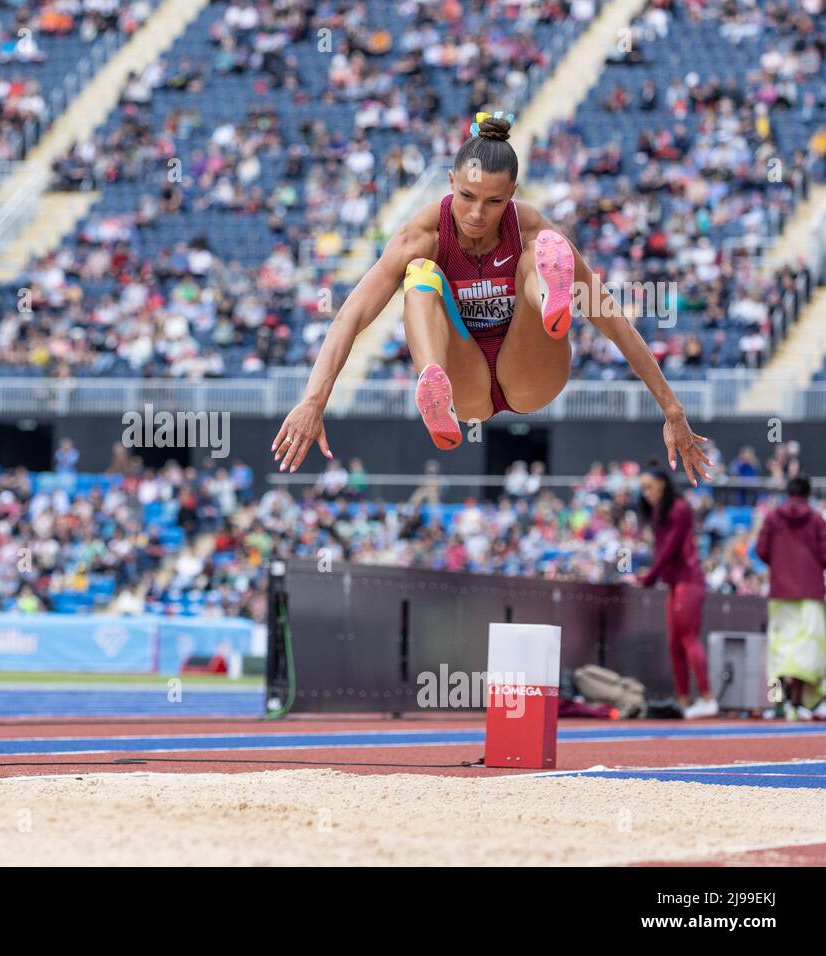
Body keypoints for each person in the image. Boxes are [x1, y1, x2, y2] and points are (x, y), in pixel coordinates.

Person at [272, 112, 711, 487]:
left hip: (531, 370)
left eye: (494, 201)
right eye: (466, 197)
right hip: (465, 384)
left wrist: (672, 409)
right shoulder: (421, 235)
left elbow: (614, 321)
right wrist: (314, 400)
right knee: (420, 275)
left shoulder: (534, 230)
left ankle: (552, 305)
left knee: (538, 257)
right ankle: (433, 383)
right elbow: (350, 316)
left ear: (513, 194)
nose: (477, 214)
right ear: (450, 184)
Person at [635, 462, 717, 718]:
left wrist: (649, 576)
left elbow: (669, 548)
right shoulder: (661, 510)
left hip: (688, 580)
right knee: (675, 643)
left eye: (649, 487)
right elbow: (664, 549)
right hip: (675, 583)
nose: (646, 493)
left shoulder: (679, 509)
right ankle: (683, 700)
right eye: (643, 489)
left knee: (688, 637)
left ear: (662, 484)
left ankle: (707, 697)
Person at [754, 476, 826, 720]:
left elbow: (761, 550)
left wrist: (780, 565)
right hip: (810, 593)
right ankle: (799, 704)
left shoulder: (773, 517)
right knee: (807, 653)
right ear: (808, 494)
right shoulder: (816, 519)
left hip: (780, 593)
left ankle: (778, 705)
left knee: (779, 652)